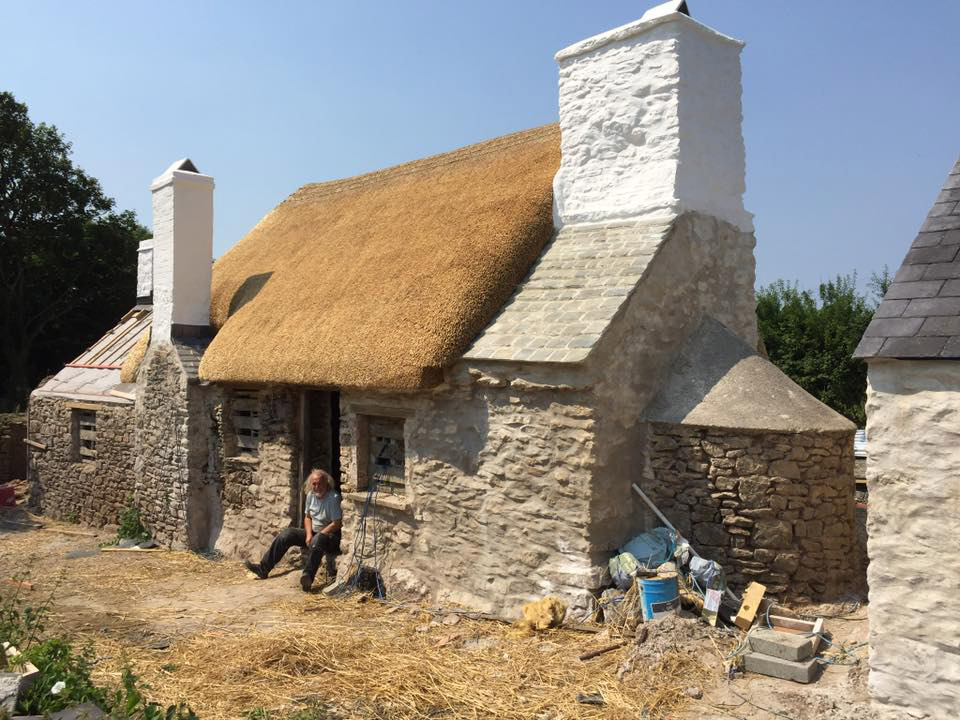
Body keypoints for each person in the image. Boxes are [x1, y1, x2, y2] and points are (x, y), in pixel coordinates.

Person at [245, 468, 342, 591]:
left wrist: (319, 535)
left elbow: (337, 523)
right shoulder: (311, 495)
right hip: (314, 532)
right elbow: (307, 517)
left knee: (319, 538)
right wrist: (308, 535)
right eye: (314, 484)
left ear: (326, 483)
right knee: (287, 534)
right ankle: (263, 569)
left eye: (320, 483)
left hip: (330, 536)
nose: (317, 487)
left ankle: (307, 577)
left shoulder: (333, 498)